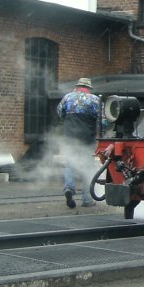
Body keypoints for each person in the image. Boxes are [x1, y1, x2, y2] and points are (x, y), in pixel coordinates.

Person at [57, 78, 100, 208]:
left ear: (77, 86)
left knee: (70, 163)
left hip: (70, 136)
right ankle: (87, 199)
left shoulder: (67, 97)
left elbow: (60, 113)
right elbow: (104, 120)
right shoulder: (95, 100)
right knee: (87, 167)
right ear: (89, 88)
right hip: (87, 137)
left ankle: (69, 189)